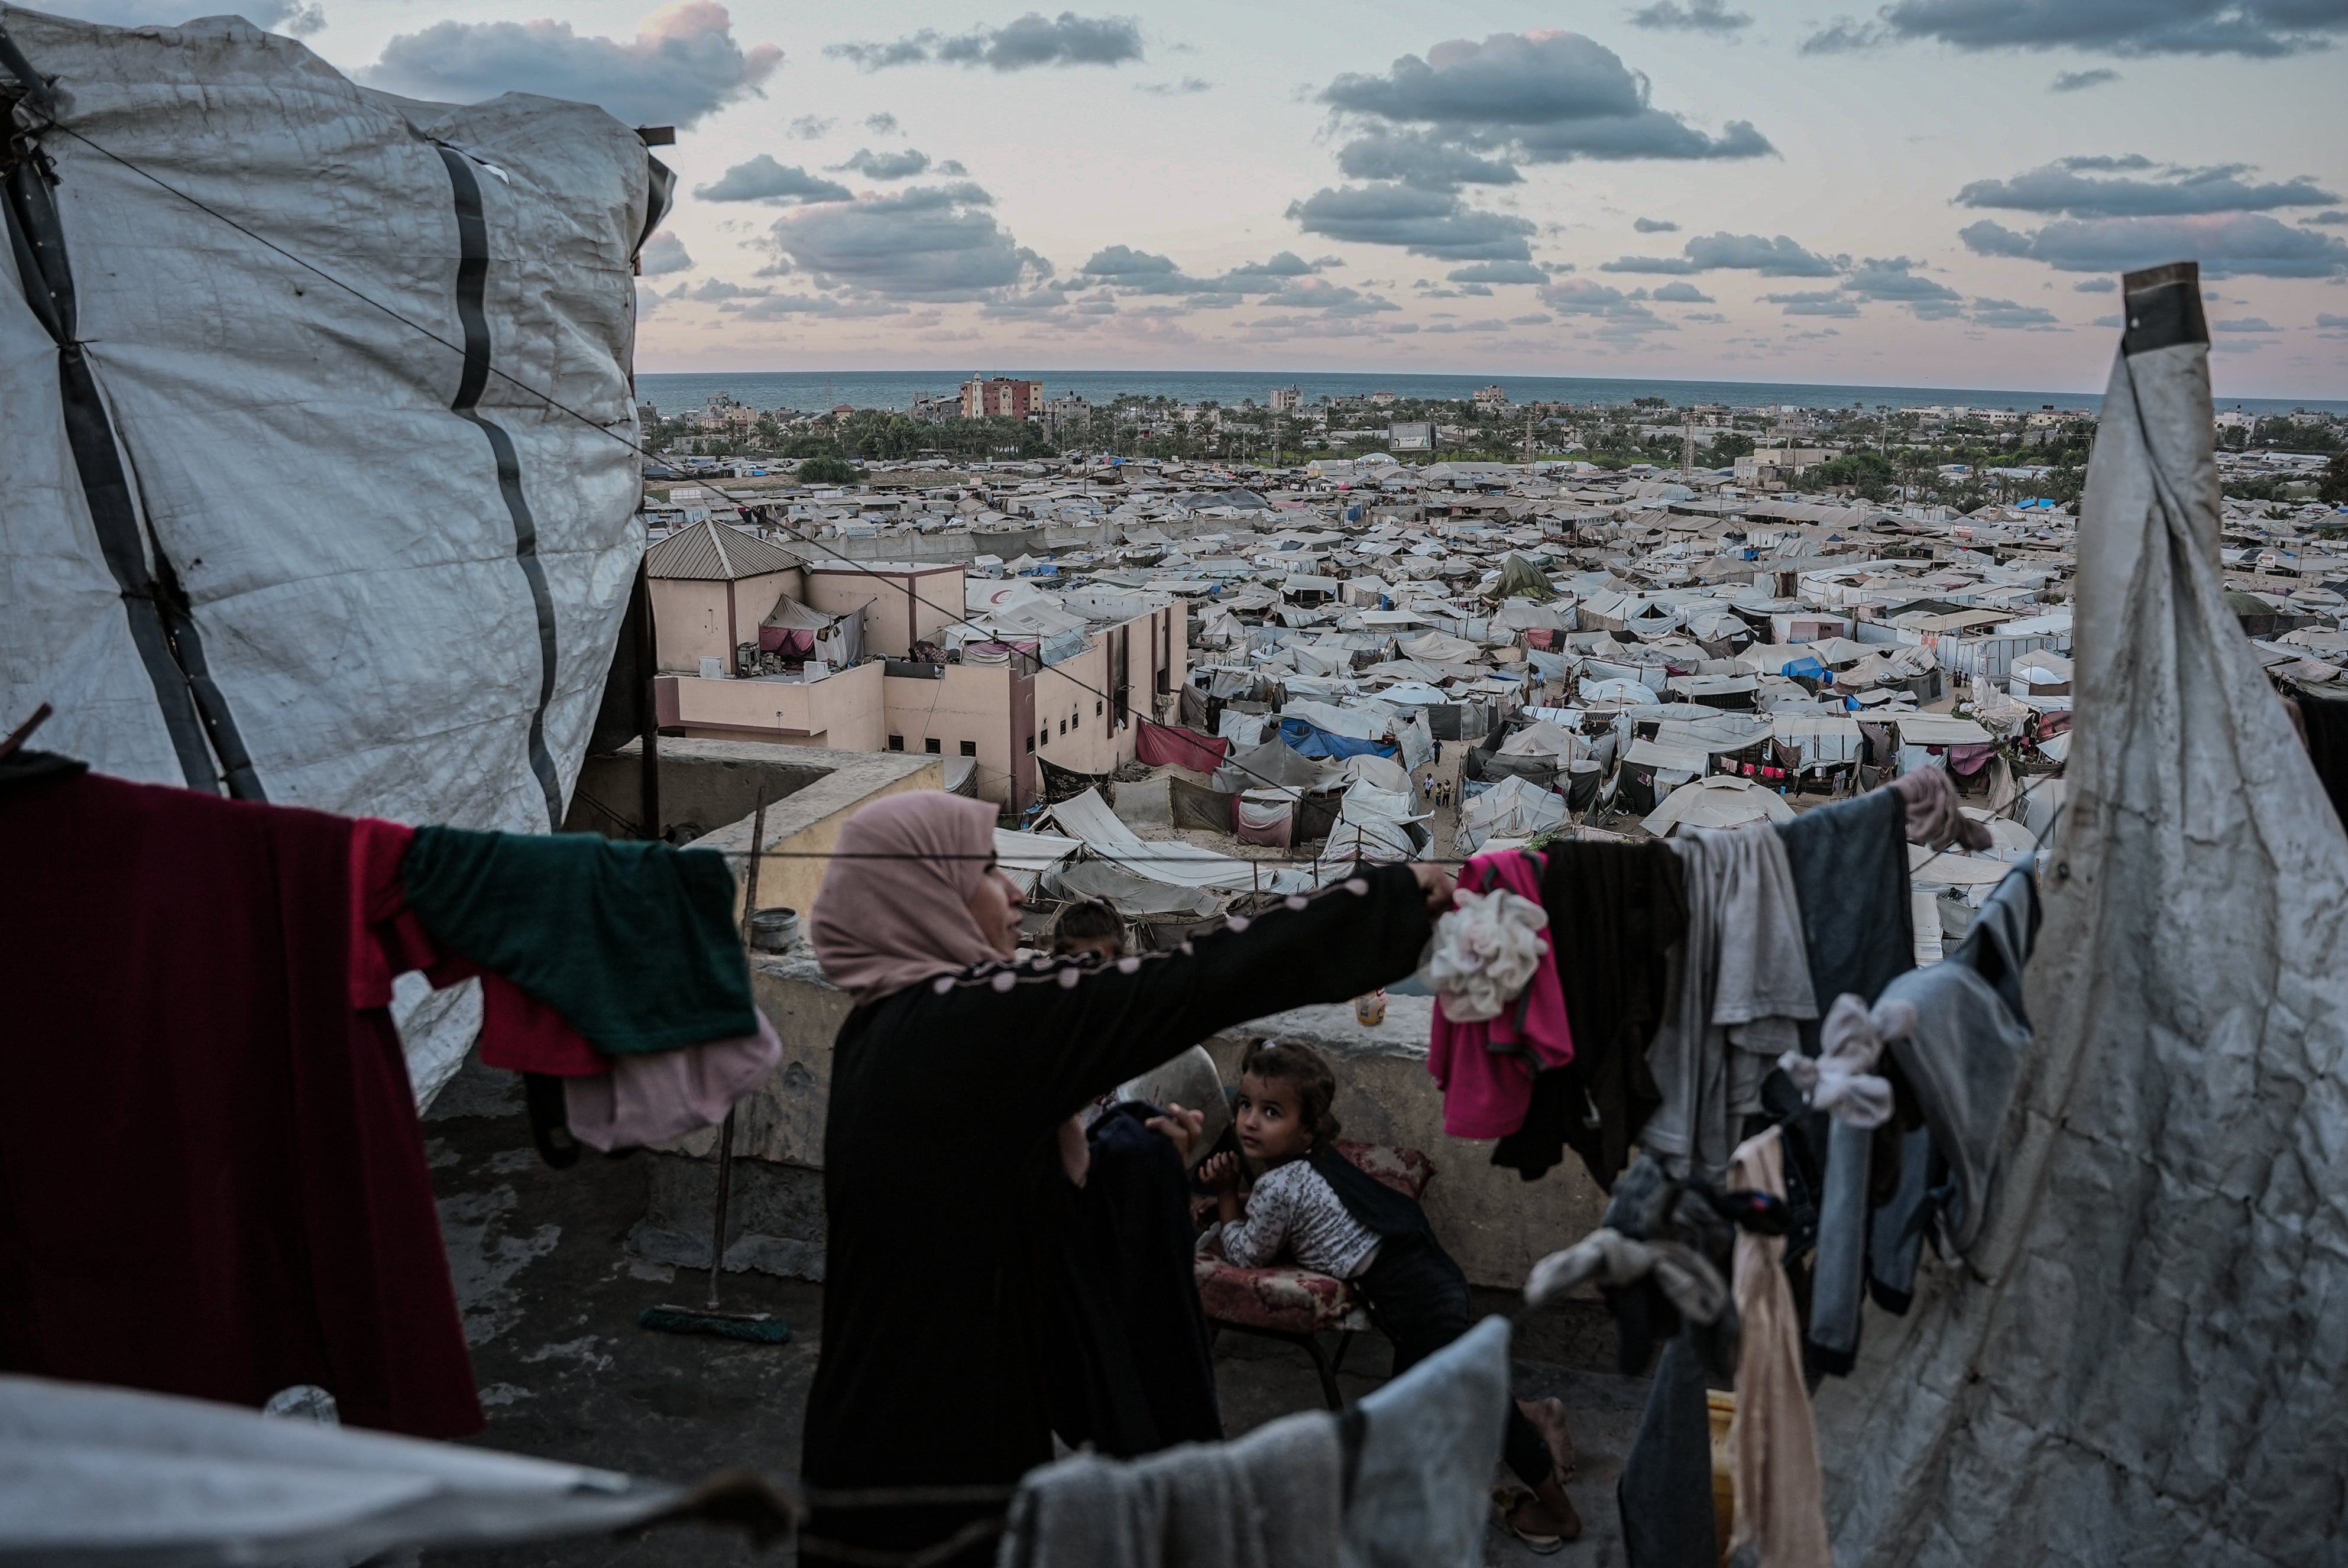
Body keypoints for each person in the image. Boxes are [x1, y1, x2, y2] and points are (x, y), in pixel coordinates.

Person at [800, 793, 1454, 1567]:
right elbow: (1188, 981)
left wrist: (1133, 1155)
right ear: (919, 894)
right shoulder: (969, 1023)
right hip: (937, 1441)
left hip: (880, 1418)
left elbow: (982, 1193)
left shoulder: (878, 1027)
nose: (1014, 893)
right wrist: (1386, 900)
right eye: (982, 872)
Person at [1200, 1039, 1583, 1552]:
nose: (1249, 1121)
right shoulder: (1319, 1160)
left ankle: (1559, 1514)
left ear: (1308, 1129)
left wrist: (1226, 1194)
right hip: (1427, 1270)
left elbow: (1246, 1254)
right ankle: (1538, 1413)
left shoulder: (1277, 1187)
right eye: (1244, 1105)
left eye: (1271, 1112)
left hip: (1411, 1301)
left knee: (1462, 1411)